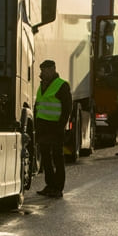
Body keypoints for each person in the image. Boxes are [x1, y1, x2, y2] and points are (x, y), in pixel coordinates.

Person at [35, 59, 72, 198]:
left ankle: (58, 188)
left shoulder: (62, 85)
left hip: (55, 127)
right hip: (43, 127)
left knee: (57, 157)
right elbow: (39, 105)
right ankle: (50, 185)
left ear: (52, 70)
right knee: (45, 158)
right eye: (41, 71)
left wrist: (61, 126)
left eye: (44, 71)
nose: (41, 74)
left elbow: (67, 108)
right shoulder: (42, 85)